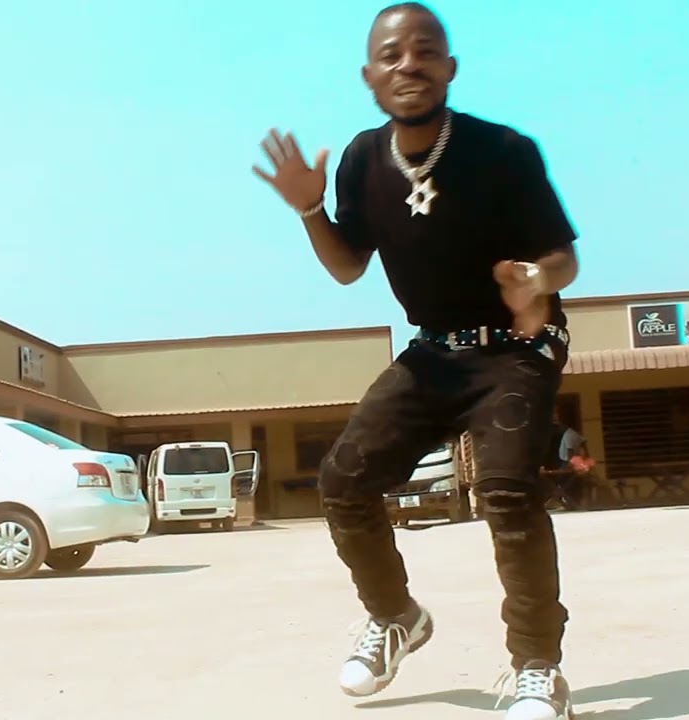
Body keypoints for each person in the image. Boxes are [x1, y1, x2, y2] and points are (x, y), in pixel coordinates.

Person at [251, 3, 580, 718]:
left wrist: (536, 279)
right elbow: (348, 267)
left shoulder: (504, 151)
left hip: (517, 346)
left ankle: (538, 668)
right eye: (392, 55)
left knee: (506, 489)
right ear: (369, 75)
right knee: (343, 480)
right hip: (434, 351)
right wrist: (309, 211)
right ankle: (396, 617)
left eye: (426, 51)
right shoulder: (363, 160)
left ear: (450, 68)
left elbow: (564, 257)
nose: (410, 65)